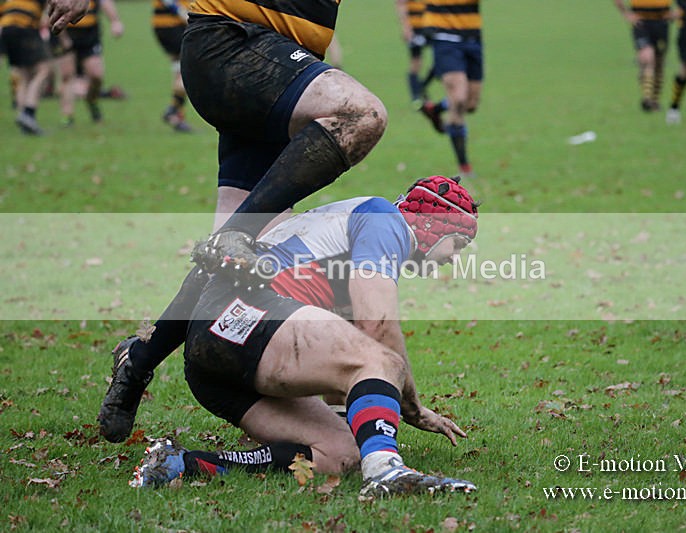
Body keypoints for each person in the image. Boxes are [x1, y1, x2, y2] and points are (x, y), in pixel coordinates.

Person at [97, 0, 388, 443]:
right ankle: (239, 233)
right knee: (361, 114)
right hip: (234, 44)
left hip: (273, 66)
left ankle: (140, 355)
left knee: (234, 259)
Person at [127, 176, 480, 498]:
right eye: (459, 243)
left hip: (212, 364)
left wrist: (367, 420)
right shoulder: (385, 219)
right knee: (383, 357)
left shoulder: (349, 248)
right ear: (433, 224)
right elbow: (378, 326)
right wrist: (413, 408)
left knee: (340, 453)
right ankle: (387, 472)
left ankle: (180, 463)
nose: (454, 258)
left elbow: (339, 366)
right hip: (245, 313)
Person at [402, 0, 483, 178]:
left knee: (471, 103)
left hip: (473, 36)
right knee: (458, 99)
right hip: (444, 37)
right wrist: (409, 26)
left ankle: (435, 109)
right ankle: (464, 167)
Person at [56, 0, 123, 125]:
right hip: (65, 32)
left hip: (89, 35)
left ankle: (92, 100)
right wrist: (63, 37)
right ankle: (67, 116)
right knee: (67, 75)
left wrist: (115, 21)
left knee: (96, 75)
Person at [613, 0, 674, 112]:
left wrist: (678, 12)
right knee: (647, 57)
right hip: (641, 22)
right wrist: (626, 13)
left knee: (659, 62)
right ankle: (647, 99)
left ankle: (655, 100)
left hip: (661, 21)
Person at [1, 0, 51, 135]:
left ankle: (24, 122)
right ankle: (29, 112)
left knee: (24, 75)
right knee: (44, 70)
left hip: (6, 28)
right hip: (25, 26)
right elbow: (45, 19)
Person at [152, 0, 191, 132]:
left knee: (179, 69)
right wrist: (180, 12)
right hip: (174, 24)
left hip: (166, 25)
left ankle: (177, 116)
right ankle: (173, 110)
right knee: (188, 72)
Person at [395, 0, 435, 107]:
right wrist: (406, 28)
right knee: (416, 62)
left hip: (434, 26)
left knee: (440, 61)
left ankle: (421, 87)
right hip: (415, 28)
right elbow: (400, 4)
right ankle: (416, 96)